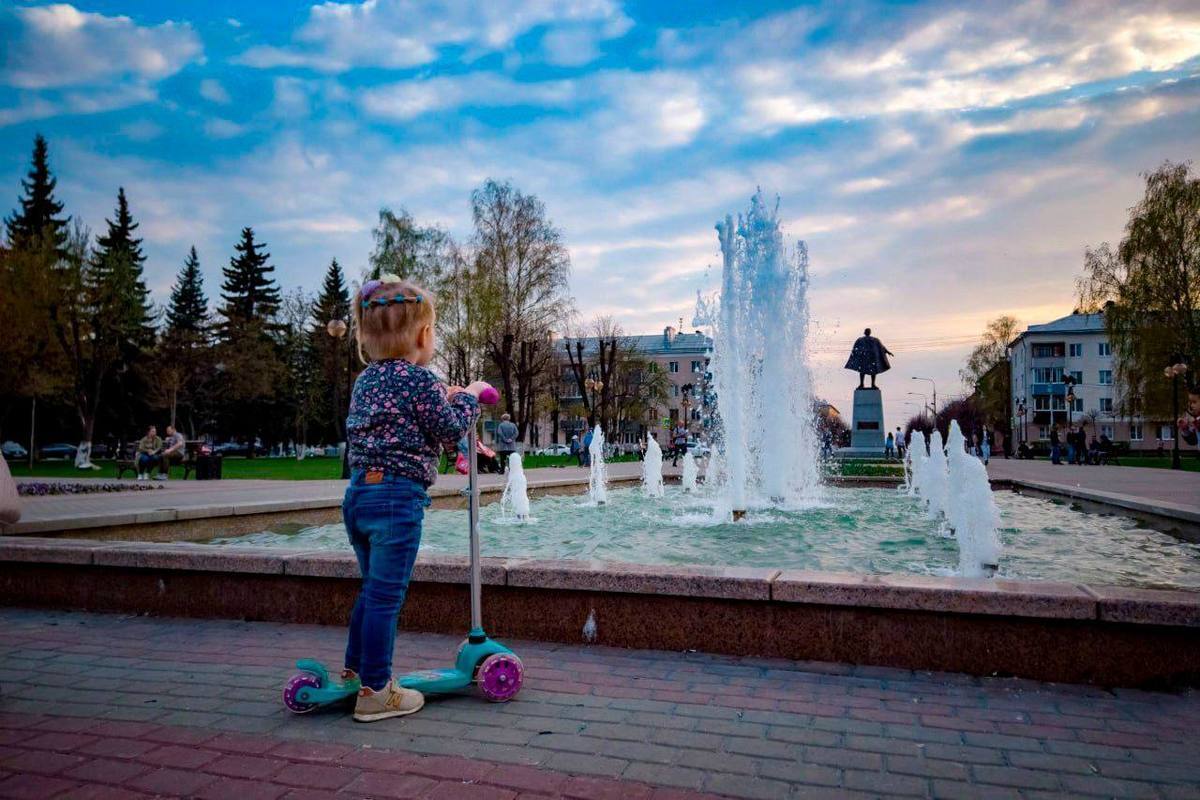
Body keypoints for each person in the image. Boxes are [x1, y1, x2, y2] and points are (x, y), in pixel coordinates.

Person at [340, 275, 485, 723]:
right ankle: (377, 690)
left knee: (372, 592)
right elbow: (447, 429)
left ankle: (354, 672)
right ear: (424, 335)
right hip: (397, 497)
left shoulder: (366, 381)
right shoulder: (419, 380)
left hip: (360, 493)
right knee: (386, 596)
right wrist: (470, 398)